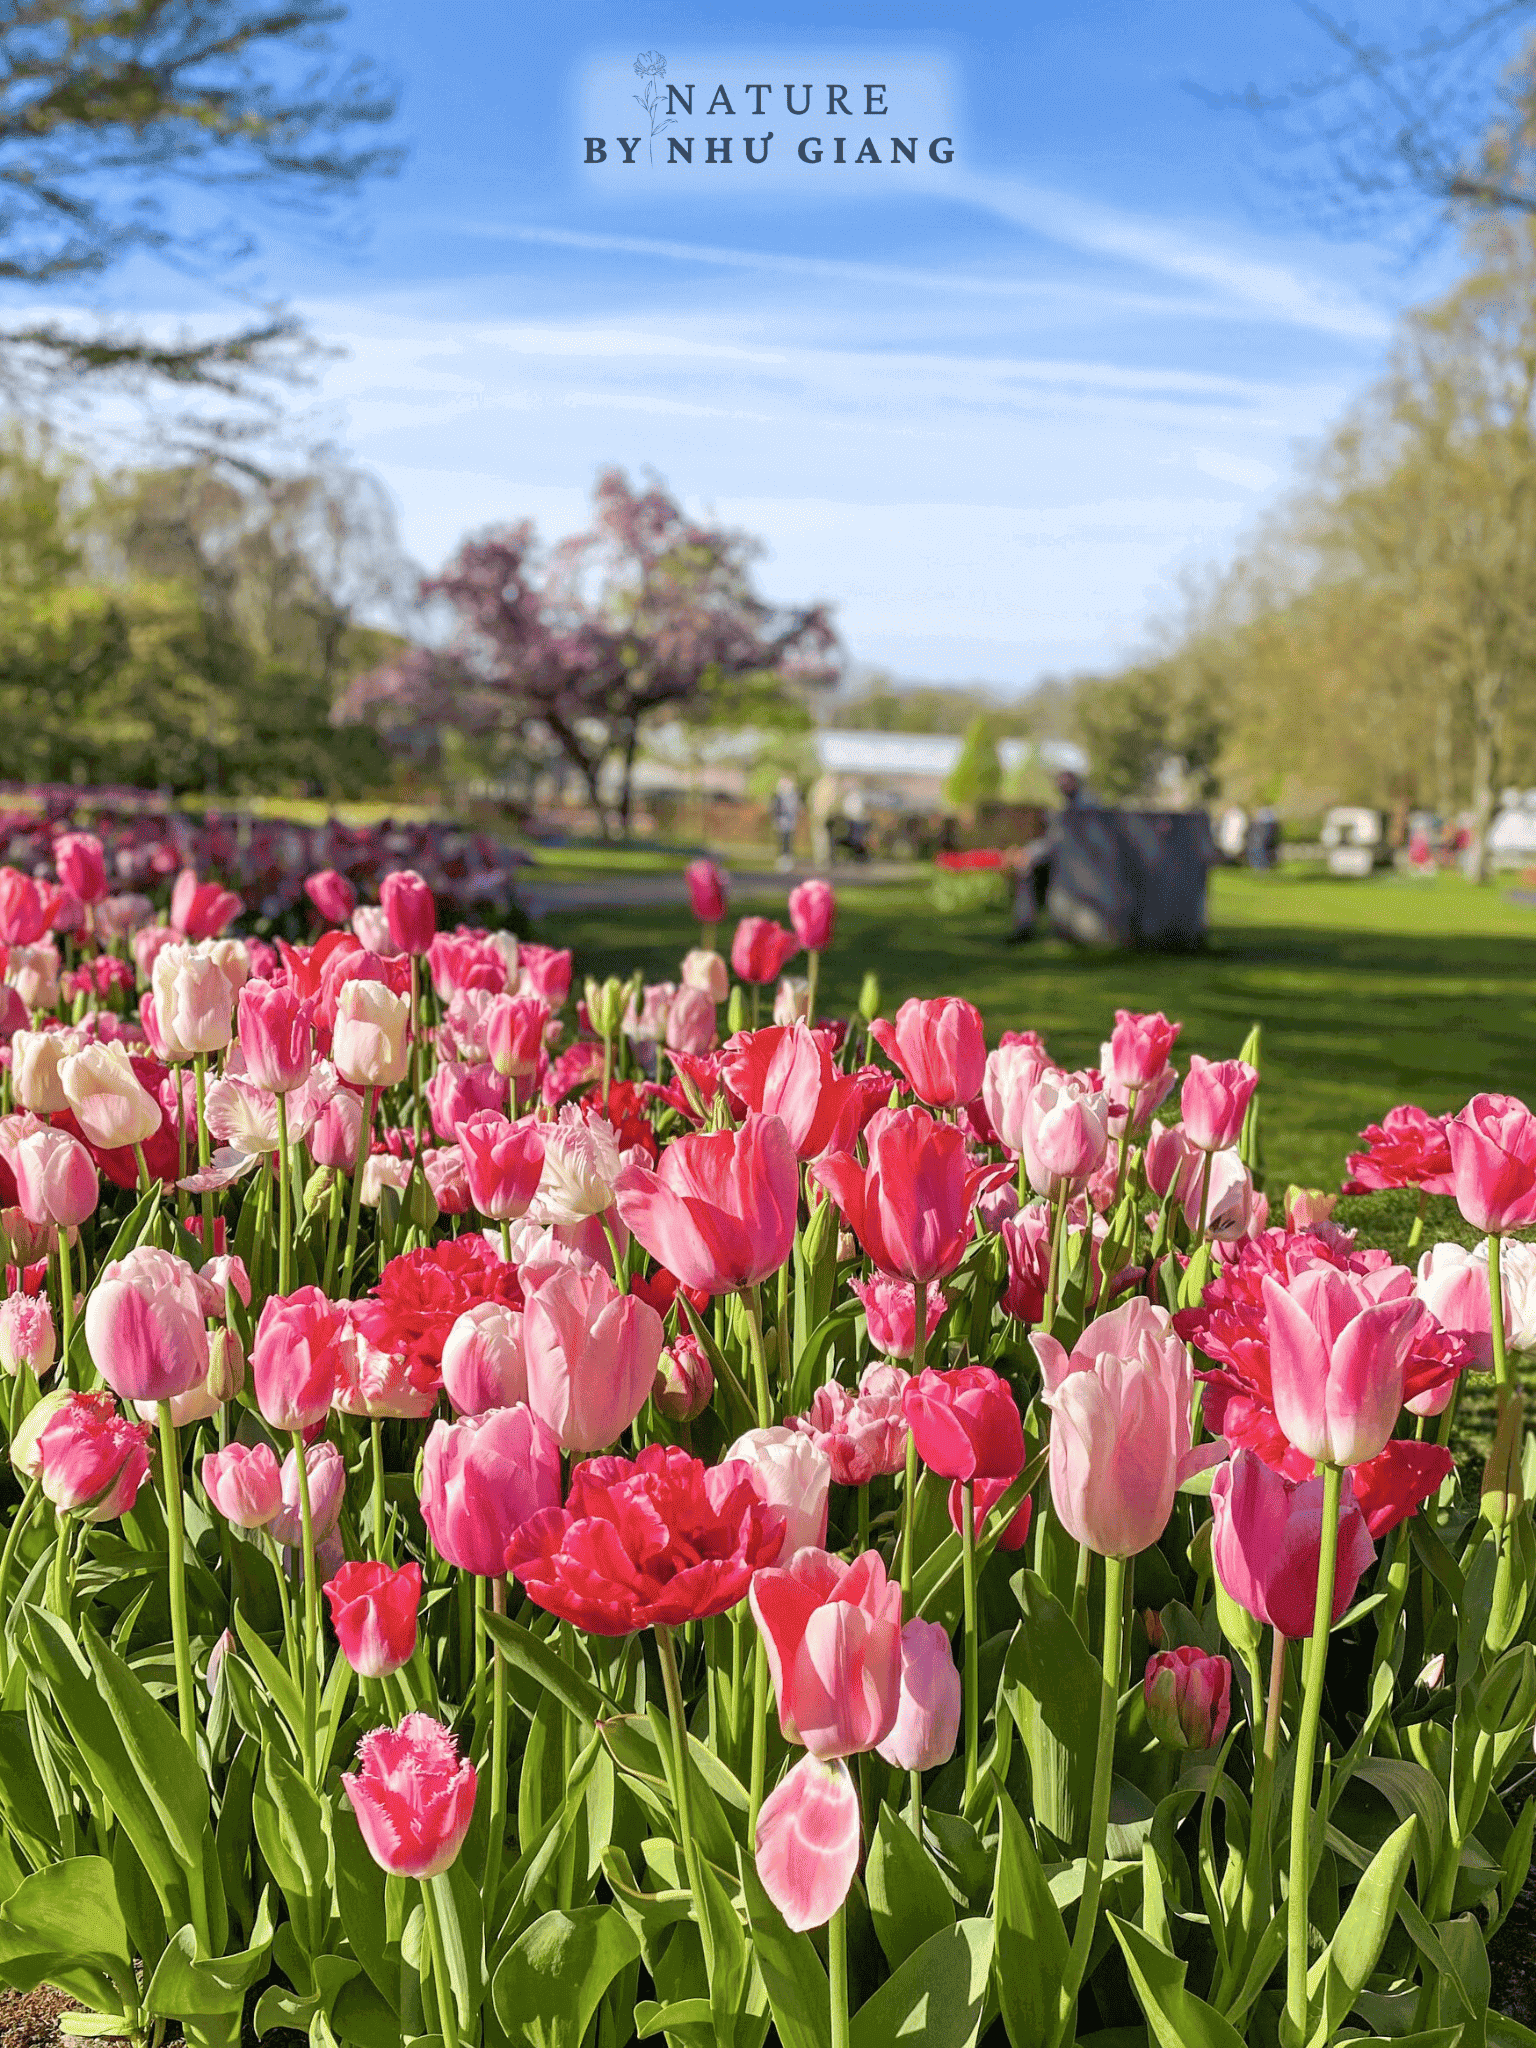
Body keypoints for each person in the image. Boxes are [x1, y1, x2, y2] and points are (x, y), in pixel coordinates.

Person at [771, 776, 801, 869]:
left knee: (788, 842)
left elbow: (796, 808)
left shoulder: (793, 795)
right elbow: (775, 809)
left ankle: (788, 860)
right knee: (782, 842)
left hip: (790, 823)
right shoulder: (778, 796)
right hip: (781, 822)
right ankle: (782, 861)